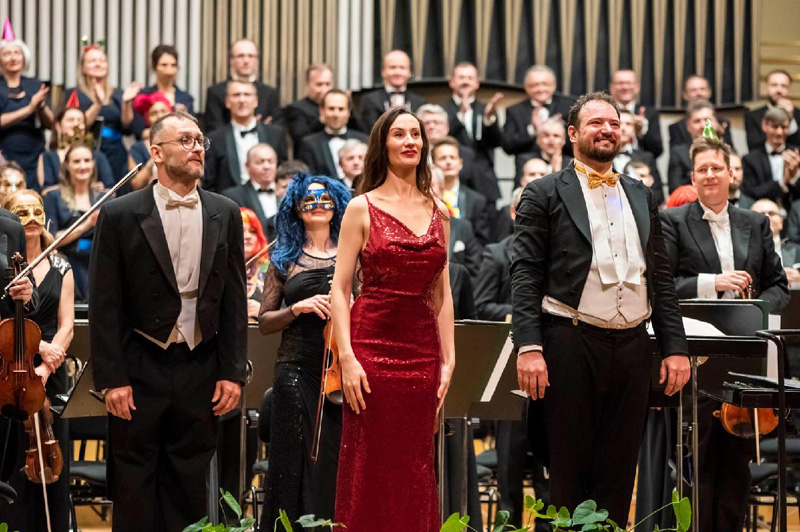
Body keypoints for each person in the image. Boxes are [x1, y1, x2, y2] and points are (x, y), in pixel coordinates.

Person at [511, 92, 690, 525]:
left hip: (632, 346)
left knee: (618, 470)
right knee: (567, 475)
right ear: (572, 134)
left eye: (613, 122)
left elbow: (660, 277)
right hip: (569, 342)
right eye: (595, 123)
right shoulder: (543, 192)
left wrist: (675, 347)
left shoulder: (643, 194)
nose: (607, 129)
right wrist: (528, 346)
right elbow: (525, 275)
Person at [88, 110, 247, 531]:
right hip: (139, 364)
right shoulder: (121, 213)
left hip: (200, 363)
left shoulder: (225, 211)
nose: (197, 148)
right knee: (133, 480)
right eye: (186, 141)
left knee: (189, 479)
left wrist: (233, 372)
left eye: (200, 141)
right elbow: (105, 302)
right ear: (156, 152)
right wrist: (112, 378)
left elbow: (233, 298)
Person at [330, 107, 454, 531]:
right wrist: (345, 356)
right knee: (369, 463)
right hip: (371, 347)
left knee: (416, 464)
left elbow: (442, 291)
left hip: (421, 352)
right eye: (399, 134)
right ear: (383, 144)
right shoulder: (360, 208)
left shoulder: (440, 211)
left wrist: (448, 361)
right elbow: (341, 289)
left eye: (416, 134)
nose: (410, 141)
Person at [660, 136, 789, 532]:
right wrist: (712, 282)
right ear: (693, 178)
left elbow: (779, 287)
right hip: (697, 356)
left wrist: (755, 309)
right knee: (698, 460)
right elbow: (663, 284)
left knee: (737, 463)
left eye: (717, 168)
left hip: (745, 356)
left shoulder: (756, 222)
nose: (710, 175)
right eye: (703, 170)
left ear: (732, 174)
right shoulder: (673, 221)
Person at [257, 173, 351, 529]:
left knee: (334, 457)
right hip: (296, 369)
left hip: (341, 367)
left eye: (324, 199)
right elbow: (265, 321)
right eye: (308, 201)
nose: (316, 206)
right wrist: (298, 307)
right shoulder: (284, 258)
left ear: (336, 204)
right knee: (293, 460)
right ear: (295, 208)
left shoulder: (350, 252)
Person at [0, 189, 74, 532]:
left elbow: (66, 324)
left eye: (37, 211)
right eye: (21, 211)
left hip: (43, 371)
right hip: (12, 364)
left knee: (49, 456)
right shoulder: (7, 253)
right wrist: (38, 349)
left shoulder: (60, 263)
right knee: (12, 460)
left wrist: (47, 365)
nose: (31, 219)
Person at [66, 44, 141, 181]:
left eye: (102, 61)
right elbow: (77, 126)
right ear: (82, 67)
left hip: (116, 152)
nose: (98, 64)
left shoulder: (117, 93)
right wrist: (98, 104)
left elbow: (127, 128)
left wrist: (127, 103)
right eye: (92, 61)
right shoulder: (74, 94)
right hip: (87, 152)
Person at [43, 144, 106, 302]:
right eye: (76, 161)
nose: (83, 166)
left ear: (93, 163)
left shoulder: (106, 197)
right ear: (67, 165)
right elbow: (51, 241)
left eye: (87, 160)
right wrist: (87, 224)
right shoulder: (53, 197)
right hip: (68, 264)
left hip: (99, 265)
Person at [204, 80, 287, 192]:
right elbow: (209, 183)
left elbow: (283, 174)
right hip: (228, 204)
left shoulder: (276, 134)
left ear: (256, 101)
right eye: (236, 95)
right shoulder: (215, 138)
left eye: (247, 95)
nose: (242, 100)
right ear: (227, 102)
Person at [444, 61, 503, 202]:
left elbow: (497, 142)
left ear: (476, 83)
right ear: (452, 82)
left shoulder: (486, 109)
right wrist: (459, 117)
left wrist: (489, 120)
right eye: (461, 77)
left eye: (469, 78)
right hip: (454, 176)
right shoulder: (443, 110)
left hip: (483, 178)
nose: (465, 81)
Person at [502, 65, 575, 177]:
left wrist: (557, 136)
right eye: (534, 85)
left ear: (554, 85)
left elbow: (578, 142)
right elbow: (508, 146)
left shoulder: (569, 106)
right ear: (526, 87)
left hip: (566, 169)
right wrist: (532, 130)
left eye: (545, 84)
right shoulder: (515, 110)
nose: (540, 89)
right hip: (528, 173)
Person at [0, 30, 53, 183]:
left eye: (17, 52)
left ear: (24, 57)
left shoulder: (34, 84)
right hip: (4, 153)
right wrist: (29, 109)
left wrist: (41, 106)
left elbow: (51, 124)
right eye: (7, 53)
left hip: (34, 153)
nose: (13, 57)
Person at [204, 39, 281, 133]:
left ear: (257, 61)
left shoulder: (270, 93)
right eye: (241, 56)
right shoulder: (216, 92)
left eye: (251, 56)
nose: (246, 60)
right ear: (231, 60)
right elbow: (213, 130)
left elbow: (278, 130)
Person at [295, 89, 368, 180]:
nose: (336, 114)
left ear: (349, 112)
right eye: (331, 109)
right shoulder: (309, 144)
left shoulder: (365, 140)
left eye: (341, 109)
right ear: (321, 111)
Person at [38, 105, 115, 191]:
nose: (76, 124)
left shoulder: (98, 156)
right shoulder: (48, 157)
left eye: (80, 121)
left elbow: (110, 189)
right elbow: (45, 191)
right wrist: (83, 186)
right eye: (71, 120)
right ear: (58, 125)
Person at [431, 136, 491, 244]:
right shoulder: (425, 199)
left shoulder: (477, 201)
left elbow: (482, 242)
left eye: (452, 157)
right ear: (433, 164)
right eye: (442, 158)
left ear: (460, 163)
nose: (448, 162)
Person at [285, 64, 359, 145]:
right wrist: (321, 120)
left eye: (328, 84)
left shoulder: (340, 105)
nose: (324, 89)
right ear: (307, 84)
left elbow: (360, 131)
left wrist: (348, 104)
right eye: (319, 84)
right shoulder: (296, 109)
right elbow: (299, 139)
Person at [741, 106, 800, 206]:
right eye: (775, 127)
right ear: (764, 126)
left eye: (783, 127)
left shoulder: (797, 155)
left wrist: (795, 176)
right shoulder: (750, 159)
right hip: (762, 214)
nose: (779, 132)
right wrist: (783, 182)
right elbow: (753, 192)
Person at [133, 45, 194, 138]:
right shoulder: (144, 96)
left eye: (173, 65)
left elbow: (191, 129)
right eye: (164, 65)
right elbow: (138, 131)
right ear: (154, 66)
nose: (169, 69)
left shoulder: (186, 98)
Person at [222, 143, 280, 239]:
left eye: (270, 161)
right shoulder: (232, 197)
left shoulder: (287, 193)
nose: (266, 166)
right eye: (260, 162)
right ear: (247, 166)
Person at [358, 50, 425, 132]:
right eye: (392, 67)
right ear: (383, 72)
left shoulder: (419, 101)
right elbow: (370, 130)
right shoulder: (370, 100)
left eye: (402, 67)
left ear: (409, 72)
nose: (397, 72)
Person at [667, 100, 721, 192]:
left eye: (707, 120)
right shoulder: (678, 153)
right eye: (697, 121)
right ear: (688, 126)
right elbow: (675, 189)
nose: (703, 125)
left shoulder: (725, 151)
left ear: (715, 123)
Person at [668, 75, 734, 148]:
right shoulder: (676, 127)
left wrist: (720, 136)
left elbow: (731, 151)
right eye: (693, 90)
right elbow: (676, 154)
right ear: (685, 95)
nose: (699, 93)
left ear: (709, 92)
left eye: (702, 89)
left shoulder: (722, 122)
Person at [608, 69, 662, 158]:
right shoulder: (605, 111)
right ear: (612, 87)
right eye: (620, 83)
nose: (625, 87)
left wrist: (642, 131)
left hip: (640, 163)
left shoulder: (650, 113)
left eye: (629, 83)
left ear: (637, 87)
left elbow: (657, 151)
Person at [614, 109, 663, 204]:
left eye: (628, 124)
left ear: (634, 130)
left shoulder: (647, 158)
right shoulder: (600, 157)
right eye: (619, 124)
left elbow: (658, 195)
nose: (623, 128)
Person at [745, 69, 800, 150]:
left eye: (784, 86)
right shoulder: (753, 115)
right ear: (766, 89)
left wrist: (790, 118)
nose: (779, 90)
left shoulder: (798, 115)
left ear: (789, 91)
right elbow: (754, 148)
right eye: (774, 85)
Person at [129, 90, 172, 190]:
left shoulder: (182, 142)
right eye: (154, 113)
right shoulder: (137, 148)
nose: (159, 116)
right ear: (147, 119)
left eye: (163, 111)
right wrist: (154, 159)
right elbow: (136, 184)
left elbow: (196, 184)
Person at [751, 198, 800, 286]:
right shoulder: (742, 252)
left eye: (771, 213)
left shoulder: (798, 251)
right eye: (760, 214)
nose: (767, 217)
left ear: (781, 221)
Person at [242, 207, 270, 321]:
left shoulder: (272, 269)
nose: (248, 236)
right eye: (241, 231)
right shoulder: (220, 268)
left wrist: (262, 311)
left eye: (253, 231)